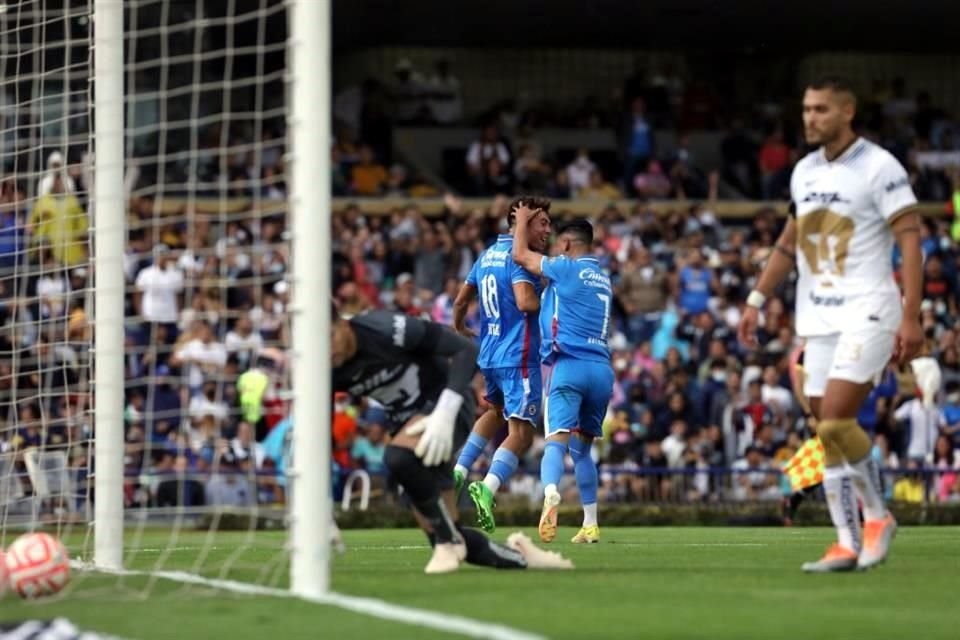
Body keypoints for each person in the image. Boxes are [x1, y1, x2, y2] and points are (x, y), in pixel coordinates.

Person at [738, 76, 923, 572]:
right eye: (806, 109)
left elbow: (910, 238)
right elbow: (788, 242)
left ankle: (878, 517)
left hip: (869, 307)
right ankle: (845, 541)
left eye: (821, 109)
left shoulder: (880, 167)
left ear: (847, 111)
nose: (810, 118)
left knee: (839, 419)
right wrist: (757, 297)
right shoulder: (802, 172)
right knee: (827, 432)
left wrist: (911, 314)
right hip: (817, 316)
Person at [331, 304, 572, 574]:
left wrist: (445, 411)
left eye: (330, 338)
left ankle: (448, 540)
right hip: (407, 424)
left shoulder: (385, 328)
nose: (329, 350)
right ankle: (522, 555)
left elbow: (465, 349)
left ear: (343, 324)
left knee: (397, 459)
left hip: (448, 406)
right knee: (446, 532)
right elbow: (320, 439)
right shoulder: (327, 368)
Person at [512, 205, 614, 545]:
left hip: (568, 367)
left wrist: (523, 222)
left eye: (557, 244)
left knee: (555, 443)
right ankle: (590, 523)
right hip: (601, 371)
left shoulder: (565, 268)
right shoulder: (603, 276)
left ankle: (551, 492)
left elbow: (521, 255)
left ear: (568, 245)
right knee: (583, 451)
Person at [451, 196, 552, 533]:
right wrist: (553, 300)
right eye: (542, 223)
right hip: (518, 357)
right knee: (521, 433)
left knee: (494, 414)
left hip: (490, 354)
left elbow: (461, 299)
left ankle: (460, 471)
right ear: (520, 222)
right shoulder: (520, 258)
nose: (547, 230)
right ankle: (488, 487)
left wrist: (460, 326)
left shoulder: (487, 254)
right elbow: (525, 302)